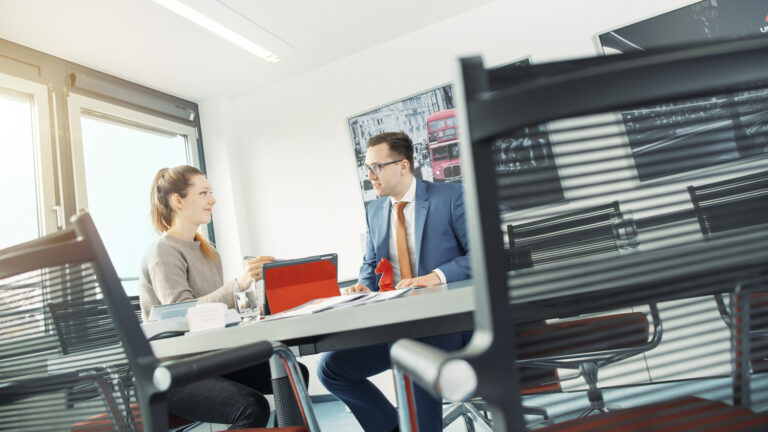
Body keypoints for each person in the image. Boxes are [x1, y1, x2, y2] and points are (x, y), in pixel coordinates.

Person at [317, 132, 471, 432]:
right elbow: (371, 264)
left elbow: (482, 254)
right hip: (394, 324)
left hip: (445, 324)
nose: (370, 176)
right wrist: (364, 285)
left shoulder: (450, 197)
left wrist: (436, 277)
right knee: (331, 369)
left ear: (403, 166)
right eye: (367, 169)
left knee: (414, 348)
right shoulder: (375, 211)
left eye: (376, 167)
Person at [139, 165, 308, 429]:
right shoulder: (163, 252)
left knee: (293, 373)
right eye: (204, 193)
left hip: (208, 359)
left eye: (212, 192)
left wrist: (253, 297)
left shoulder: (209, 253)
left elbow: (212, 317)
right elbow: (183, 314)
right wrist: (238, 284)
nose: (213, 199)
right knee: (251, 407)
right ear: (178, 200)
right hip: (172, 371)